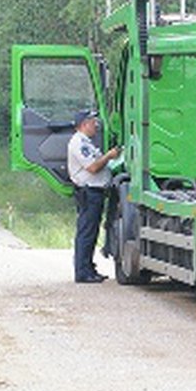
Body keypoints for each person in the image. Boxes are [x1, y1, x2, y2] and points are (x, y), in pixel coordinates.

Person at [67, 110, 119, 283]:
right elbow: (93, 167)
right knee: (87, 232)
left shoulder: (86, 142)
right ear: (84, 124)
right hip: (89, 192)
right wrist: (109, 156)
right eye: (92, 122)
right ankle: (83, 272)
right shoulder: (78, 143)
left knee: (91, 231)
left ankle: (89, 268)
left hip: (93, 192)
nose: (96, 125)